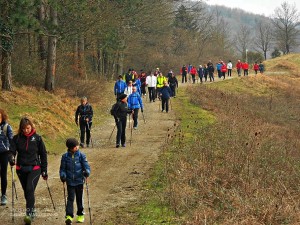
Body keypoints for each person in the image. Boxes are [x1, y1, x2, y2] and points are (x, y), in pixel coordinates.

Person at [8, 117, 48, 223]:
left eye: (28, 128)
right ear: (21, 129)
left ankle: (29, 214)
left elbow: (43, 154)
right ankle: (32, 208)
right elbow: (11, 151)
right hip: (20, 169)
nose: (26, 130)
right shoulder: (16, 138)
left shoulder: (37, 138)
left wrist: (44, 170)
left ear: (31, 126)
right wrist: (11, 158)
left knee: (30, 189)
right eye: (24, 129)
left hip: (35, 168)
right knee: (27, 192)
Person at [60, 138, 91, 224]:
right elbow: (62, 169)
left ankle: (80, 214)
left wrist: (87, 172)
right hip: (70, 181)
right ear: (70, 148)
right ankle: (69, 216)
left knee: (79, 198)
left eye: (77, 145)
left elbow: (87, 167)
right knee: (70, 198)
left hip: (79, 181)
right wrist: (63, 175)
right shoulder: (65, 157)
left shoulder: (81, 156)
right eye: (74, 147)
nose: (76, 147)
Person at [0, 109, 13, 206]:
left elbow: (11, 141)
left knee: (3, 174)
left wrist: (11, 154)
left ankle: (3, 195)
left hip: (4, 153)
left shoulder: (6, 127)